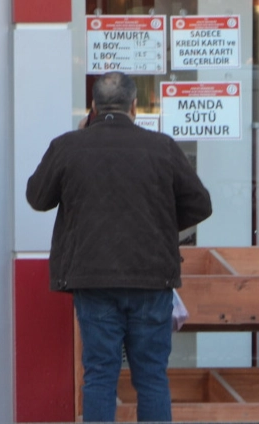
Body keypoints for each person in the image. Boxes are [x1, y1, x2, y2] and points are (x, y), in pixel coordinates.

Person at [25, 72, 213, 423]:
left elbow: (37, 197)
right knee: (152, 376)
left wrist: (80, 137)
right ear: (135, 106)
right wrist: (158, 227)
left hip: (92, 278)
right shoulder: (162, 147)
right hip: (151, 278)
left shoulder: (68, 146)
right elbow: (200, 205)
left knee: (99, 375)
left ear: (93, 107)